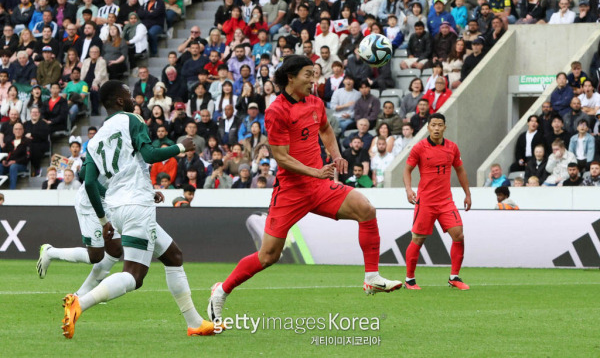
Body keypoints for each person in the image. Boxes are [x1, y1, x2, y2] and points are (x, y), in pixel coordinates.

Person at [207, 55, 403, 322]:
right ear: (291, 77)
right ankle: (221, 290)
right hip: (291, 192)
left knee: (366, 209)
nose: (314, 80)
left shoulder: (315, 102)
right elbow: (281, 157)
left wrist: (335, 155)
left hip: (320, 186)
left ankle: (371, 277)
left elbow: (326, 130)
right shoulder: (276, 110)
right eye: (308, 74)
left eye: (315, 74)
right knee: (268, 256)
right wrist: (316, 171)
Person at [59, 80, 215, 339]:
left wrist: (104, 221)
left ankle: (195, 322)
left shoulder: (96, 139)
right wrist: (180, 147)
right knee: (134, 275)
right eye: (129, 94)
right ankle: (80, 302)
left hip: (117, 206)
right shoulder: (132, 120)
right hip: (136, 207)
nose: (133, 99)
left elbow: (88, 182)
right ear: (120, 101)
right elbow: (151, 154)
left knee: (173, 256)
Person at [403, 113, 472, 290]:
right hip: (425, 201)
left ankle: (454, 277)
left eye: (439, 125)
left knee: (459, 235)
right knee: (418, 240)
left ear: (444, 127)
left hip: (446, 201)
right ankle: (410, 279)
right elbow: (407, 170)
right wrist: (409, 189)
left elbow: (460, 171)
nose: (436, 128)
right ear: (428, 127)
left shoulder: (452, 148)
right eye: (433, 125)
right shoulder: (419, 148)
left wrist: (467, 193)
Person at [0, 122, 30, 189]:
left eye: (20, 129)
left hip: (21, 165)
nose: (18, 131)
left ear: (23, 130)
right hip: (8, 164)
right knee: (0, 166)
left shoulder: (27, 141)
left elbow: (28, 156)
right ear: (13, 131)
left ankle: (12, 189)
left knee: (13, 167)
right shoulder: (9, 141)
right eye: (16, 129)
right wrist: (4, 160)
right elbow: (4, 152)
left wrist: (15, 161)